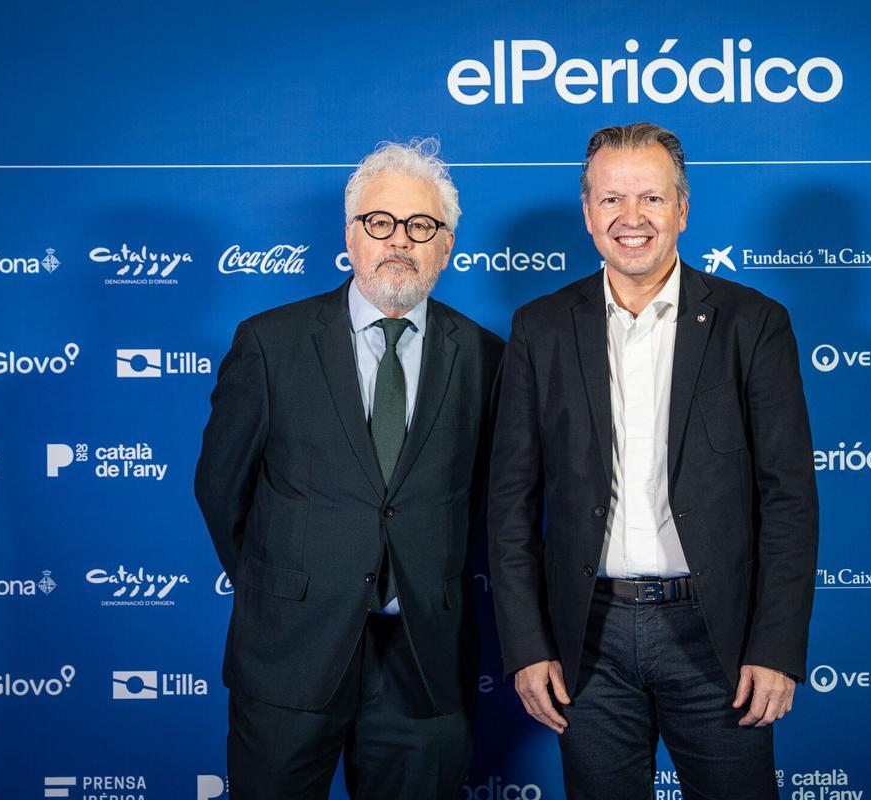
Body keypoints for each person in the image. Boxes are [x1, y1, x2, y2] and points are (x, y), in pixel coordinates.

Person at [488, 122, 819, 799]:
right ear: (587, 213)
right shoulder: (540, 328)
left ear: (682, 209)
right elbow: (510, 502)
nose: (631, 219)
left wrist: (776, 647)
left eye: (651, 199)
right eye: (611, 200)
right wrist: (526, 646)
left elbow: (789, 497)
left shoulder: (753, 324)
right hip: (588, 638)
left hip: (715, 635)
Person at [195, 138, 502, 799]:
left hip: (423, 660)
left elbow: (490, 501)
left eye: (421, 227)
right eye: (380, 223)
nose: (400, 241)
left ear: (446, 246)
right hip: (290, 654)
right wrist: (283, 587)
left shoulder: (485, 357)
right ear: (351, 236)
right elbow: (222, 489)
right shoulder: (270, 344)